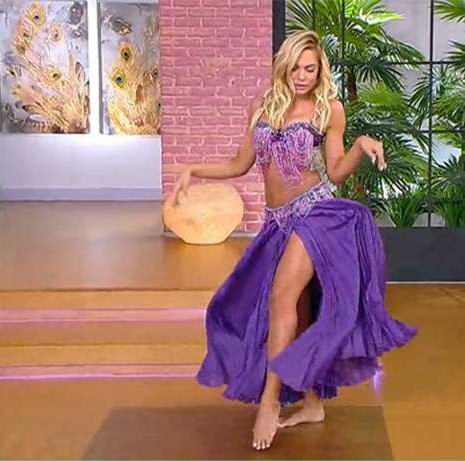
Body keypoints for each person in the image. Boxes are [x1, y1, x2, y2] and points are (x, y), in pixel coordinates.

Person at [170, 30, 417, 451]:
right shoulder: (262, 107)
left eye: (311, 69)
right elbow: (240, 164)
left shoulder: (328, 110)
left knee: (281, 299)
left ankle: (269, 403)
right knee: (299, 314)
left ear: (320, 72)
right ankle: (312, 402)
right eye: (297, 68)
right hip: (277, 223)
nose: (303, 76)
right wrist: (192, 170)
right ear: (283, 67)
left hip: (315, 215)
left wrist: (360, 145)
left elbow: (335, 172)